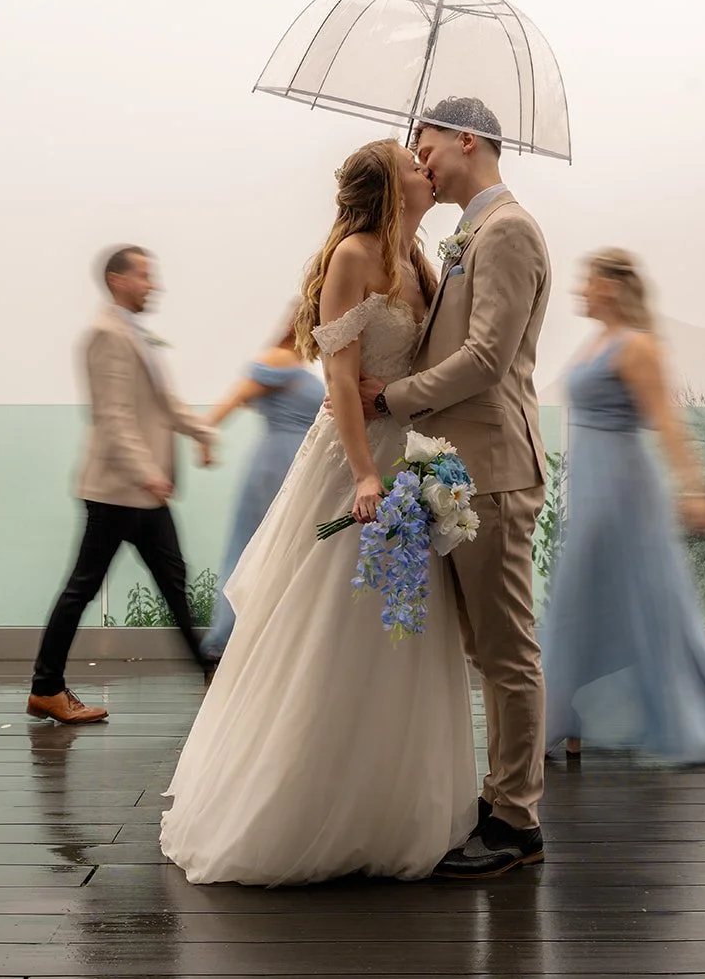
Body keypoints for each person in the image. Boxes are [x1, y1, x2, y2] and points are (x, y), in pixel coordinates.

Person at [160, 138, 478, 887]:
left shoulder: (424, 258)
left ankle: (394, 803)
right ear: (388, 184)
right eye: (412, 162)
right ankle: (307, 804)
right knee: (338, 624)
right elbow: (338, 377)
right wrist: (366, 472)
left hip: (414, 460)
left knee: (404, 629)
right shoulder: (354, 257)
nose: (425, 167)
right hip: (358, 466)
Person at [354, 97, 552, 877]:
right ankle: (502, 793)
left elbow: (485, 360)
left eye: (426, 142)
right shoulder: (470, 232)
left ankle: (517, 819)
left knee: (507, 652)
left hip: (496, 472)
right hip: (463, 473)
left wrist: (390, 398)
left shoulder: (507, 230)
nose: (421, 157)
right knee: (484, 647)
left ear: (467, 138)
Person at [541, 250, 705, 764]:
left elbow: (668, 422)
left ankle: (569, 718)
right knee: (582, 600)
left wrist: (697, 489)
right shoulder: (598, 341)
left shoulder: (636, 347)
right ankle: (567, 720)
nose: (581, 289)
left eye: (589, 280)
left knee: (630, 599)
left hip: (620, 490)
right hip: (591, 486)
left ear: (613, 286)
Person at [27, 246, 218, 724]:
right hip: (117, 490)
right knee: (84, 587)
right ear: (117, 280)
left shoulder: (133, 334)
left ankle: (209, 671)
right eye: (144, 276)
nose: (153, 285)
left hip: (138, 492)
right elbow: (112, 417)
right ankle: (46, 688)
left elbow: (164, 403)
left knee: (172, 581)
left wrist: (201, 432)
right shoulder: (106, 334)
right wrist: (147, 472)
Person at [198, 307, 324, 661]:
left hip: (295, 464)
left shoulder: (298, 365)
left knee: (280, 548)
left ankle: (270, 635)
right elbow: (232, 401)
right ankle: (230, 637)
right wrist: (204, 438)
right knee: (263, 546)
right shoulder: (279, 359)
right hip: (277, 464)